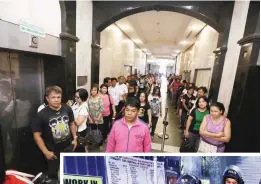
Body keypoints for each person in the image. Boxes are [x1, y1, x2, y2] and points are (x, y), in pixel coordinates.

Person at [32, 86, 77, 179]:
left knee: (70, 171)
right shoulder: (41, 114)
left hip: (68, 147)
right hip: (53, 152)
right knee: (53, 175)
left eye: (58, 97)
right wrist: (45, 152)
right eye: (53, 97)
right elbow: (37, 135)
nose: (56, 100)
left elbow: (72, 123)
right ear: (47, 98)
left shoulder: (67, 108)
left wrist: (75, 138)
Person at [71, 88, 89, 152]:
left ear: (83, 98)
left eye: (77, 97)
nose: (75, 98)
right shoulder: (76, 103)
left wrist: (70, 113)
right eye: (75, 96)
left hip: (80, 132)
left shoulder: (84, 107)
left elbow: (78, 122)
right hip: (74, 130)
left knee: (79, 149)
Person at [88, 84, 105, 151]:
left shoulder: (99, 99)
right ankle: (91, 144)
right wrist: (90, 119)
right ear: (90, 91)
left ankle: (100, 144)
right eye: (92, 90)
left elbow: (102, 110)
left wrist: (97, 119)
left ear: (97, 91)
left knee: (99, 132)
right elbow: (88, 110)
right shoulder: (89, 99)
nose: (93, 91)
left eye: (95, 90)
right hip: (91, 119)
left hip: (99, 119)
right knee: (92, 132)